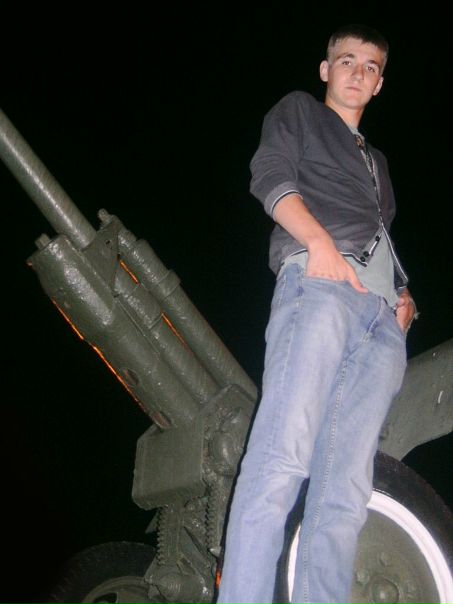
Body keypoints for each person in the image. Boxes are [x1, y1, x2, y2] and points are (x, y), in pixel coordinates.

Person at [216, 24, 417, 604]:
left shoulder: (378, 162)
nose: (358, 72)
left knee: (345, 496)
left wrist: (402, 294)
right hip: (322, 290)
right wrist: (319, 245)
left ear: (379, 84)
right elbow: (270, 176)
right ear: (326, 70)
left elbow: (376, 229)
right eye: (347, 60)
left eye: (371, 66)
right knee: (281, 460)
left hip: (381, 325)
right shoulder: (300, 111)